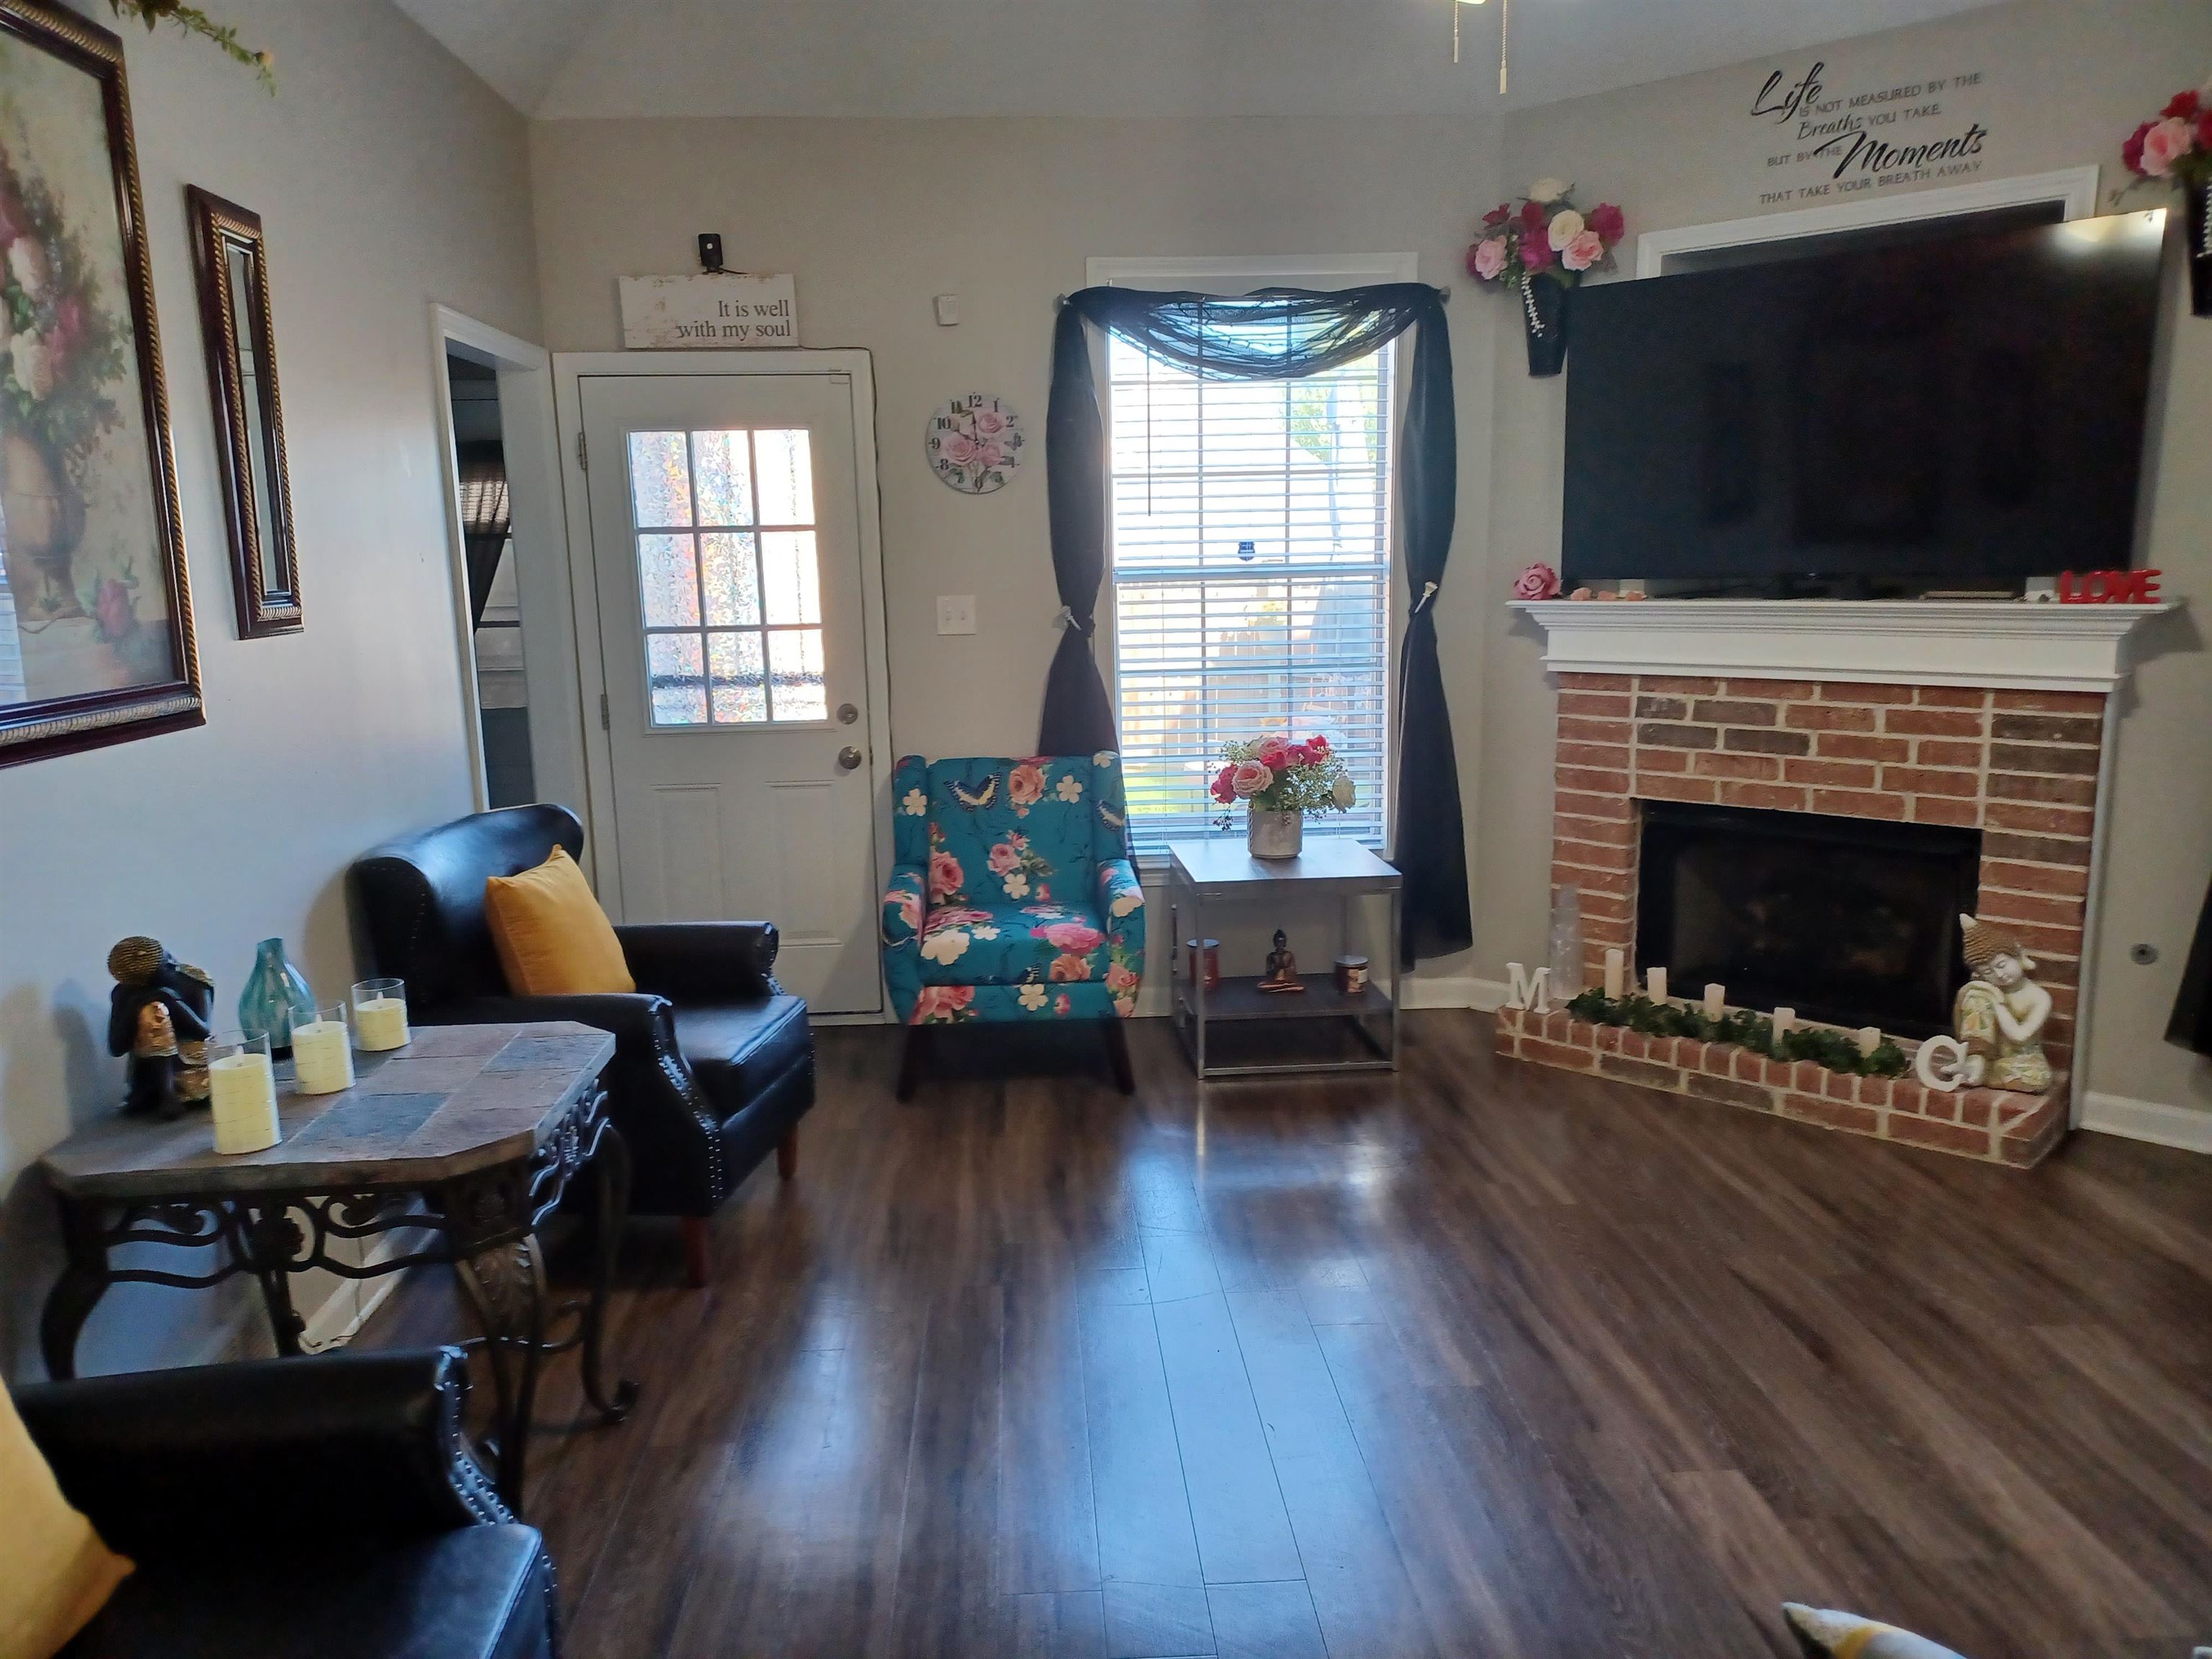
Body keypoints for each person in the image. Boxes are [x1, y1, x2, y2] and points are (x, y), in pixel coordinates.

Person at [1951, 914, 2052, 1093]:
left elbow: (2020, 1037)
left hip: (2021, 1060)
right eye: (1988, 972)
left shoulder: (2039, 997)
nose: (1999, 975)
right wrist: (1980, 992)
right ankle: (1976, 1064)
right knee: (1976, 995)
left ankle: (1978, 1073)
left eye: (2002, 964)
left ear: (2018, 954)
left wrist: (1997, 1001)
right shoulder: (1984, 993)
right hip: (1989, 1056)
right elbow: (1963, 1021)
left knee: (2037, 1077)